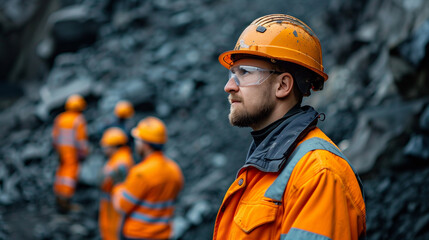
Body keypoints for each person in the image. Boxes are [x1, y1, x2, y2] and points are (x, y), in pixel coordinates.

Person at [213, 14, 366, 240]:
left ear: (283, 85)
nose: (229, 86)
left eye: (244, 72)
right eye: (231, 73)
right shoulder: (268, 164)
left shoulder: (318, 174)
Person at [112, 116, 184, 240]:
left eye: (138, 140)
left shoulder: (140, 173)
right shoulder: (174, 170)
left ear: (145, 144)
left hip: (138, 234)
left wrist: (118, 185)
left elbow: (122, 206)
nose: (136, 144)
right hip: (163, 235)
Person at [52, 94, 89, 213]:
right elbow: (81, 139)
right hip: (72, 153)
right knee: (69, 175)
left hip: (61, 151)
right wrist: (84, 152)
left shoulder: (60, 118)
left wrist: (58, 150)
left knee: (61, 172)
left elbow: (55, 137)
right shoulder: (79, 120)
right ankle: (65, 200)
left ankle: (58, 195)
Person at [99, 127, 134, 240]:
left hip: (114, 203)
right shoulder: (118, 157)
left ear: (113, 146)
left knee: (113, 231)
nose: (104, 150)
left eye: (106, 147)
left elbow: (106, 180)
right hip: (110, 201)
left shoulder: (121, 161)